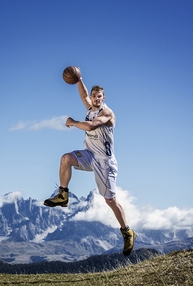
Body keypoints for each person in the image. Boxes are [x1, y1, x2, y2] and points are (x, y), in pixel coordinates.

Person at [43, 72, 136, 256]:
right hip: (90, 155)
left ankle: (127, 231)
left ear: (104, 98)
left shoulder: (107, 113)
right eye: (93, 97)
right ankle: (63, 194)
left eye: (99, 96)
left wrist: (73, 122)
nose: (95, 99)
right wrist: (79, 79)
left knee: (110, 200)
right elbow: (82, 94)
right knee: (65, 159)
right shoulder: (90, 106)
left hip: (106, 163)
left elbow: (92, 126)